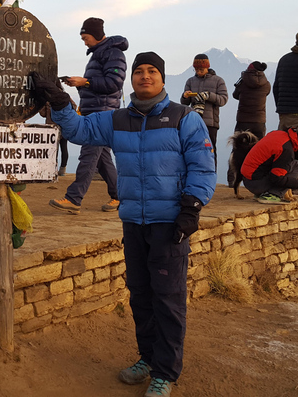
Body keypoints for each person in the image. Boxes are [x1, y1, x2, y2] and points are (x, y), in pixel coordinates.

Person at [32, 51, 217, 397]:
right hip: (133, 222)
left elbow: (203, 166)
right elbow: (78, 129)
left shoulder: (183, 118)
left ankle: (165, 372)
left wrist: (191, 207)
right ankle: (147, 358)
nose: (145, 76)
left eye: (152, 71)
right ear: (131, 78)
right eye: (139, 71)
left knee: (168, 299)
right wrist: (60, 101)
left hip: (169, 224)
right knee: (141, 295)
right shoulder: (117, 120)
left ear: (162, 78)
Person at [50, 17, 126, 214]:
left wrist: (85, 82)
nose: (84, 41)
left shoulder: (113, 53)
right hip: (95, 111)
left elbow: (114, 83)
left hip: (103, 113)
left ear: (96, 35)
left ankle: (73, 198)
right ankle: (120, 196)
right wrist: (81, 84)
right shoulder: (99, 54)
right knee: (102, 159)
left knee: (88, 155)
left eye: (86, 37)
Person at [240, 127, 298, 204]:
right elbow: (276, 178)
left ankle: (262, 193)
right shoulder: (286, 150)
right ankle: (273, 195)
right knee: (297, 166)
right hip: (256, 184)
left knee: (294, 164)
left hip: (248, 179)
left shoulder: (280, 134)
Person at [228, 61, 271, 187]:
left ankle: (232, 180)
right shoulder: (266, 84)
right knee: (259, 152)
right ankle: (258, 180)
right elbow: (267, 93)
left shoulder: (243, 82)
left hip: (243, 119)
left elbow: (235, 95)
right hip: (259, 121)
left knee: (237, 148)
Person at [180, 54, 228, 167]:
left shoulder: (218, 81)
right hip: (193, 121)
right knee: (193, 148)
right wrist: (185, 96)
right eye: (196, 69)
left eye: (201, 69)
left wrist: (209, 95)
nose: (198, 72)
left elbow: (223, 100)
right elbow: (184, 103)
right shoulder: (190, 81)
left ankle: (211, 173)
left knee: (210, 149)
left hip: (211, 123)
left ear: (207, 67)